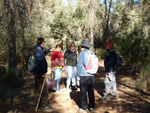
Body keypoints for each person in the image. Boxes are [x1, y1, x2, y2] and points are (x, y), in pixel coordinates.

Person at [33, 38, 53, 112]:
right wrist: (42, 73)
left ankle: (38, 103)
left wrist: (49, 51)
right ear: (42, 42)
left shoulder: (38, 49)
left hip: (37, 73)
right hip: (39, 74)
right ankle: (44, 105)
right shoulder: (38, 50)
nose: (45, 43)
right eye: (44, 42)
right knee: (43, 89)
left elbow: (42, 54)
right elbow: (39, 62)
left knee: (38, 89)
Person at [77, 40, 95, 113]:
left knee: (83, 92)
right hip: (91, 75)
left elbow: (80, 65)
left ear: (83, 46)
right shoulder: (92, 53)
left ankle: (84, 108)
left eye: (81, 45)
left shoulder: (82, 53)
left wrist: (78, 75)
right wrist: (94, 75)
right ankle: (91, 107)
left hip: (84, 75)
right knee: (91, 91)